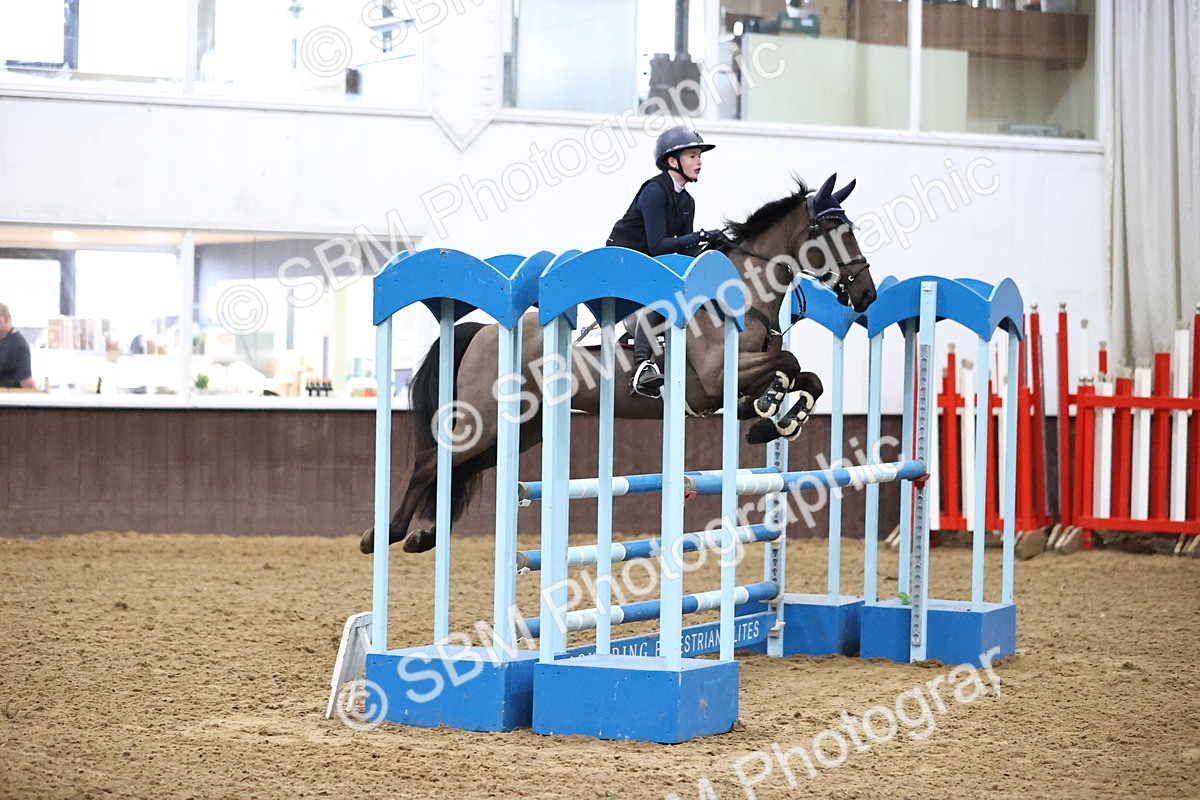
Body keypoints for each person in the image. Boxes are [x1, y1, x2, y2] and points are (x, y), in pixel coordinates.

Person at [606, 126, 726, 398]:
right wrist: (701, 235)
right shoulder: (655, 191)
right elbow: (658, 246)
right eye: (693, 156)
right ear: (672, 161)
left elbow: (683, 251)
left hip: (648, 261)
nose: (699, 162)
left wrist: (711, 247)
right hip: (622, 260)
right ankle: (641, 367)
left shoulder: (687, 201)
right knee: (663, 292)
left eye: (699, 156)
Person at [0, 302, 37, 390]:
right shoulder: (3, 341)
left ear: (5, 318)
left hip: (9, 396)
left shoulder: (17, 346)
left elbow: (27, 383)